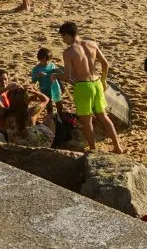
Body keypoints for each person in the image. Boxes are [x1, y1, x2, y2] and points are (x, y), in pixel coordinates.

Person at [59, 21, 123, 154]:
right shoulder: (92, 44)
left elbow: (67, 76)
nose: (63, 40)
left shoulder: (68, 52)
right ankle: (117, 147)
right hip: (97, 83)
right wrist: (104, 81)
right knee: (104, 117)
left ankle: (93, 149)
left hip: (83, 87)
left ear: (68, 35)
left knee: (86, 120)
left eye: (63, 37)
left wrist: (55, 76)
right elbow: (105, 64)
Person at [31, 48, 62, 114]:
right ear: (39, 59)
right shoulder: (36, 69)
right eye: (44, 60)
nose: (47, 62)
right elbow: (33, 81)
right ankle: (50, 116)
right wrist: (39, 76)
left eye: (48, 60)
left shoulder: (52, 65)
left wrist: (61, 86)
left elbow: (57, 77)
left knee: (59, 103)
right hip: (44, 89)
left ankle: (60, 115)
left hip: (54, 87)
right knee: (49, 104)